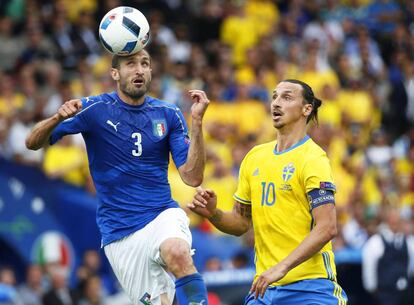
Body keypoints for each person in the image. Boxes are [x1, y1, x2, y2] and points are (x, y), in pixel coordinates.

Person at [25, 49, 210, 305]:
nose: (139, 69)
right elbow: (32, 142)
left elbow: (192, 177)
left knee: (178, 252)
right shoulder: (94, 109)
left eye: (145, 63)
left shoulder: (169, 114)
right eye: (131, 64)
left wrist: (197, 123)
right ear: (115, 73)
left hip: (160, 214)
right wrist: (58, 118)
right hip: (120, 233)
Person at [189, 79, 348, 304]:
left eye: (287, 97)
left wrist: (280, 268)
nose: (276, 103)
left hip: (311, 287)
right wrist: (213, 213)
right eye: (274, 96)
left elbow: (327, 227)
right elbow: (241, 224)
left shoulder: (313, 158)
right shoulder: (254, 157)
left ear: (306, 109)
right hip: (265, 290)